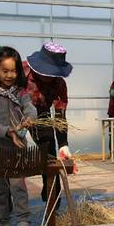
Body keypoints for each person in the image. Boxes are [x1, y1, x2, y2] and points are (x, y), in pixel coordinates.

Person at [0, 46, 36, 226]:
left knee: (18, 186)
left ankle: (23, 222)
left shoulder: (20, 93)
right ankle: (3, 222)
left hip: (16, 151)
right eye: (5, 70)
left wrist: (29, 118)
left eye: (14, 71)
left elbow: (30, 108)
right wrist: (8, 131)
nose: (10, 75)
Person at [24, 42, 73, 203]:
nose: (50, 77)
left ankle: (52, 197)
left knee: (50, 152)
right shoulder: (19, 71)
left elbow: (60, 115)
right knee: (11, 154)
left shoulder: (59, 84)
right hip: (15, 112)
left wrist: (64, 144)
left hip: (42, 114)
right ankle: (9, 200)